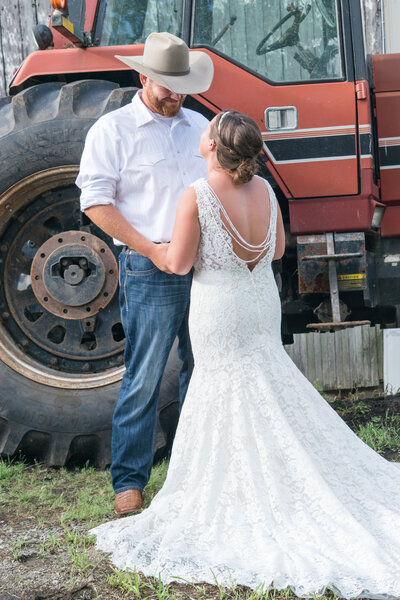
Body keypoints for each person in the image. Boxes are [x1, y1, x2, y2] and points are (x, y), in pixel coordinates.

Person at [90, 111, 400, 598]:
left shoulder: (195, 196)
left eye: (209, 131)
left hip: (220, 307)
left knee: (224, 388)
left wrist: (150, 250)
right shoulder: (266, 192)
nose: (203, 132)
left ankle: (236, 489)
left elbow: (178, 262)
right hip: (258, 302)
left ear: (213, 147)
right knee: (266, 382)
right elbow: (276, 250)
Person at [76, 32, 214, 515]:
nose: (175, 95)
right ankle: (129, 482)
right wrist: (152, 251)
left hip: (204, 270)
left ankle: (197, 471)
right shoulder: (112, 131)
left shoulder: (198, 124)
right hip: (149, 268)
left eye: (181, 86)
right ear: (143, 78)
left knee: (206, 370)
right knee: (145, 375)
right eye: (166, 86)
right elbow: (95, 202)